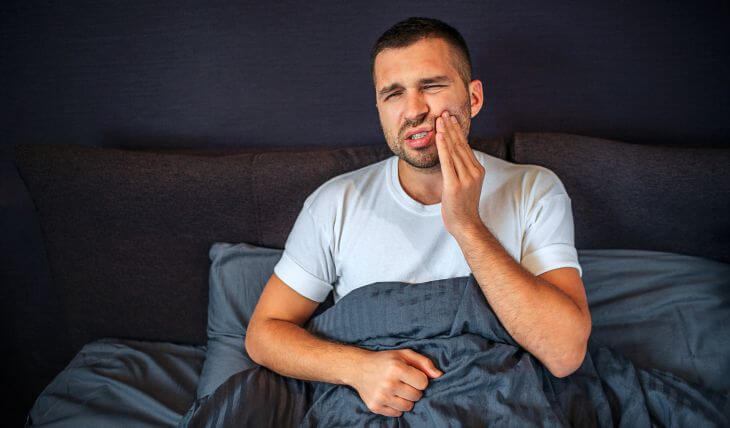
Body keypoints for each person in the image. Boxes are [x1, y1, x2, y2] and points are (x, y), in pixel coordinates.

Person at [246, 17, 591, 418]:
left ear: (473, 98)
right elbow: (264, 334)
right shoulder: (335, 203)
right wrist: (356, 368)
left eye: (432, 86)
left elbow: (565, 354)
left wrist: (467, 226)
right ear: (379, 109)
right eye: (393, 94)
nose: (414, 110)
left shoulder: (534, 189)